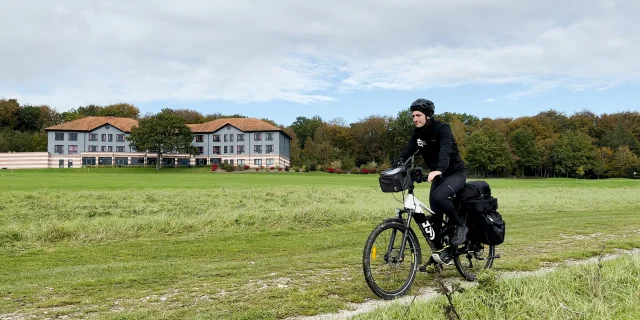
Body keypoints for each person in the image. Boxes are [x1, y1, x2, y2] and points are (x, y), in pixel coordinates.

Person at [394, 98, 467, 268]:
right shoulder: (418, 134)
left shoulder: (442, 128)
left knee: (440, 199)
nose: (415, 119)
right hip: (438, 176)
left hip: (455, 173)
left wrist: (439, 168)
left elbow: (446, 150)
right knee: (435, 214)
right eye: (413, 116)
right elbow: (407, 151)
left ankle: (459, 226)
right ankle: (440, 255)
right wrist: (392, 169)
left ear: (427, 115)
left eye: (418, 115)